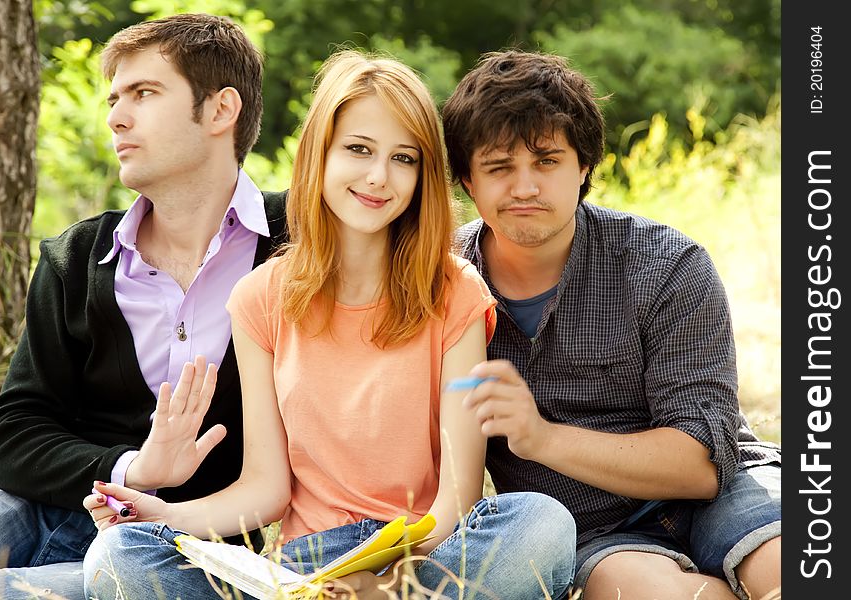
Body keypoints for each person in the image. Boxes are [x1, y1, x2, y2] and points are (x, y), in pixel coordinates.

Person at [81, 50, 577, 600]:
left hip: (415, 558)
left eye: (403, 158)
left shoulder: (455, 291)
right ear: (320, 155)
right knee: (116, 556)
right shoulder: (261, 297)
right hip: (304, 569)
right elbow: (266, 490)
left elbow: (455, 501)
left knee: (542, 523)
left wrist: (382, 580)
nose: (378, 177)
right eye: (358, 150)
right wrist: (164, 513)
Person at [442, 50, 781, 600]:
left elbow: (702, 466)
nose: (525, 188)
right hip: (595, 530)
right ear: (466, 181)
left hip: (731, 491)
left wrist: (542, 438)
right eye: (500, 167)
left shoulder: (667, 265)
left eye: (547, 161)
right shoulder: (441, 285)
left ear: (583, 167)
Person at [0, 14, 287, 599]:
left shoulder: (300, 245)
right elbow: (13, 434)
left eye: (144, 93)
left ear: (221, 110)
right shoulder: (76, 258)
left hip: (173, 552)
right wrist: (135, 469)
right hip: (43, 509)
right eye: (114, 98)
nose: (116, 118)